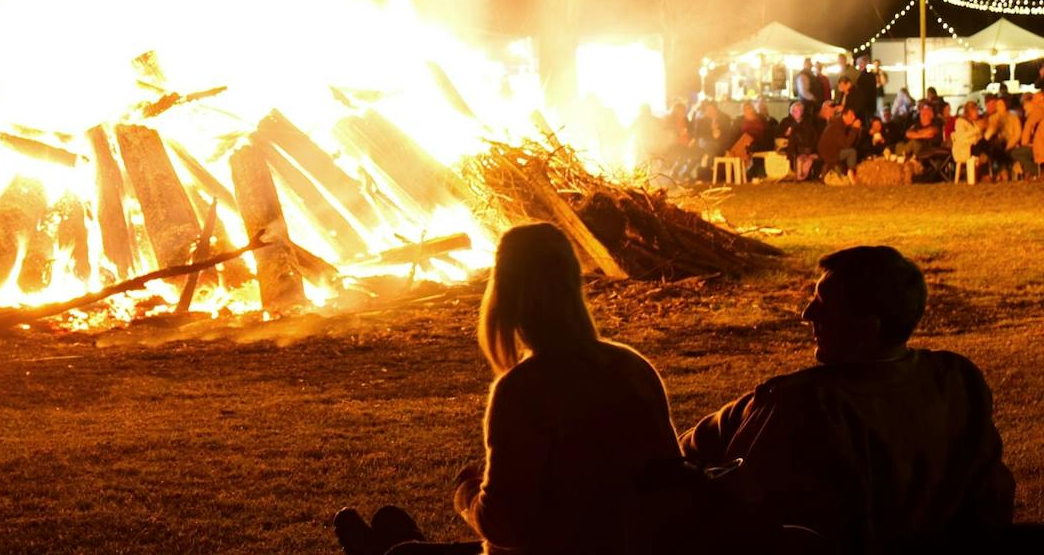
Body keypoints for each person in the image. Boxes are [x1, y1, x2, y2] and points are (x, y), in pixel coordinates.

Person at [332, 224, 683, 555]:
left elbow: (503, 527)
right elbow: (670, 483)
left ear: (506, 297)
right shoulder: (632, 366)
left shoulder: (524, 390)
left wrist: (467, 494)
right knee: (401, 539)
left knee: (401, 554)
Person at [680, 246, 1014, 553]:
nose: (806, 314)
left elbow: (740, 503)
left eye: (824, 305)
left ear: (867, 328)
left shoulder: (805, 403)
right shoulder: (955, 378)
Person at [776, 101, 820, 180]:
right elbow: (780, 135)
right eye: (793, 111)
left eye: (798, 110)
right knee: (800, 159)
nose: (795, 113)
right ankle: (799, 175)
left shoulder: (808, 123)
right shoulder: (786, 122)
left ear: (802, 112)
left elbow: (811, 138)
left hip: (806, 149)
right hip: (790, 148)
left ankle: (802, 176)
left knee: (806, 160)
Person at [817, 105, 862, 181]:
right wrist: (855, 129)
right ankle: (851, 175)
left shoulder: (840, 125)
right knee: (851, 152)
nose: (854, 118)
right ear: (844, 116)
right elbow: (846, 144)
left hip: (833, 151)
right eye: (851, 115)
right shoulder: (837, 127)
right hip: (830, 153)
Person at [844, 55, 878, 127]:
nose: (858, 65)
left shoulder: (866, 76)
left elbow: (864, 91)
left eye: (859, 63)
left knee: (865, 124)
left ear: (864, 63)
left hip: (865, 105)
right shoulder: (868, 75)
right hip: (868, 105)